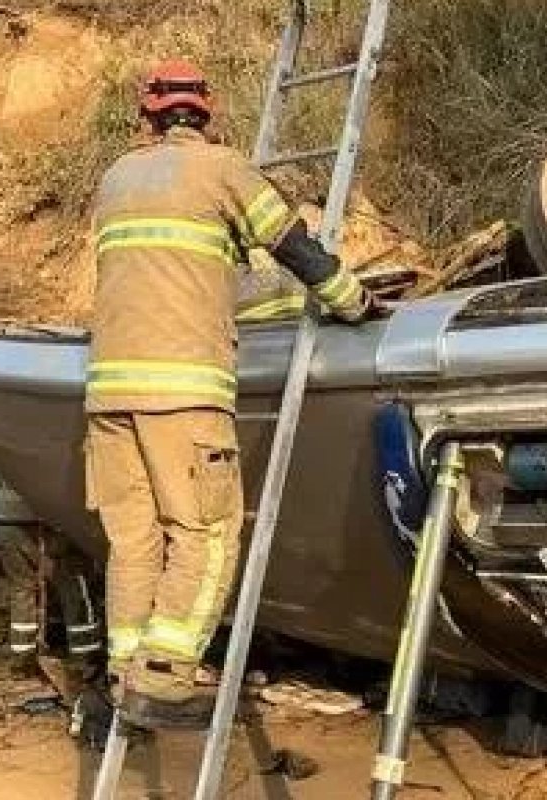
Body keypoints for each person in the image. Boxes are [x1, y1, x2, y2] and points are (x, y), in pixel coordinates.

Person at [84, 58, 378, 729]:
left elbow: (160, 273)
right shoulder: (222, 169)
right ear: (205, 115)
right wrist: (352, 301)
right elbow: (294, 249)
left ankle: (125, 671)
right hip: (183, 391)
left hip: (107, 396)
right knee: (207, 533)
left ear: (146, 116)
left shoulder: (115, 180)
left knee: (133, 541)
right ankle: (164, 680)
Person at [0, 467, 103, 675]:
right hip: (56, 516)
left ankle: (23, 657)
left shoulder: (8, 437)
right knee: (73, 581)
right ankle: (85, 654)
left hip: (7, 517)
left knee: (21, 585)